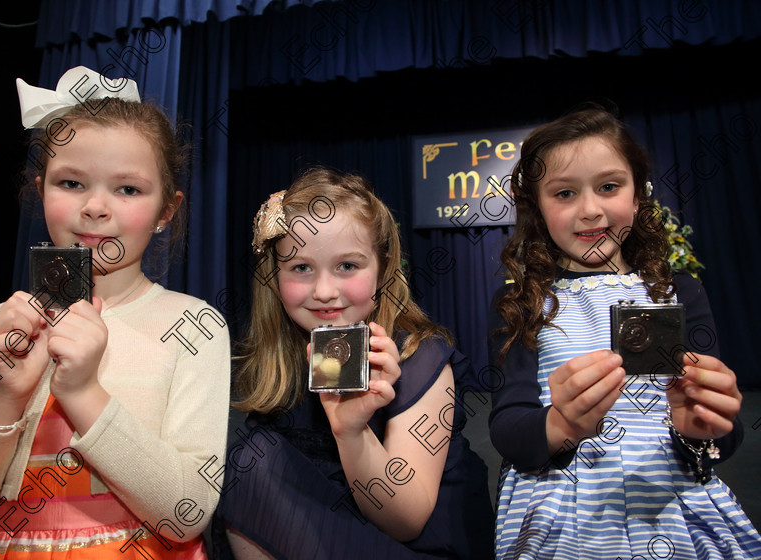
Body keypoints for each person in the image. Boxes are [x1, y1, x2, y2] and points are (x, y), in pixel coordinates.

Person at [0, 67, 230, 558]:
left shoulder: (193, 325)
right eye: (71, 182)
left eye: (128, 189)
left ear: (166, 211)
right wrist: (4, 397)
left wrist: (84, 392)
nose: (95, 207)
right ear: (41, 190)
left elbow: (186, 512)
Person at [488, 107, 761, 559]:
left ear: (637, 196)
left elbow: (719, 439)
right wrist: (561, 424)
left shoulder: (679, 292)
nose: (591, 209)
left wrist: (701, 429)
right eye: (564, 193)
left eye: (609, 187)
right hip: (562, 512)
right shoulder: (522, 303)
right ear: (537, 208)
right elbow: (508, 429)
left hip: (671, 501)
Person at [212, 168, 494, 559]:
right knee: (250, 463)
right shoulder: (284, 365)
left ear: (382, 269)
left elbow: (407, 520)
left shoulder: (420, 357)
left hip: (412, 546)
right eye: (301, 268)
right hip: (322, 537)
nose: (325, 291)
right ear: (274, 280)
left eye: (347, 266)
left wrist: (351, 431)